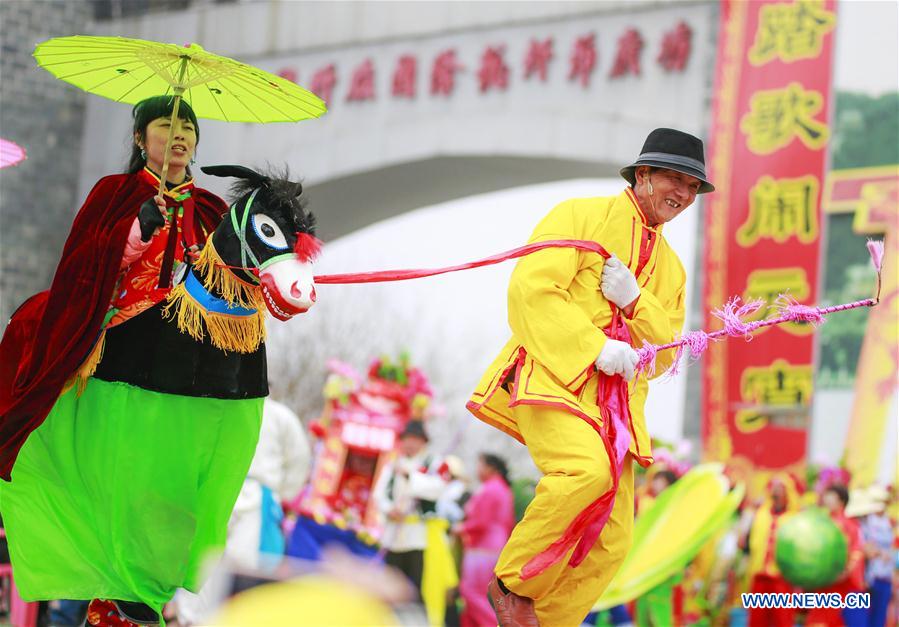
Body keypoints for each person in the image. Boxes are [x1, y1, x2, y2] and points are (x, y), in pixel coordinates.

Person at [0, 96, 246, 626]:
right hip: (115, 343)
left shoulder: (209, 211)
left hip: (179, 361)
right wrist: (135, 231)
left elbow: (228, 284)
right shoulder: (114, 194)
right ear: (140, 139)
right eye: (165, 125)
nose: (179, 135)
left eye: (188, 127)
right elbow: (85, 263)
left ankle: (143, 591)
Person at [467, 128, 713, 626]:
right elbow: (531, 292)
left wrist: (634, 301)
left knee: (615, 536)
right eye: (676, 179)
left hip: (615, 411)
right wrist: (594, 346)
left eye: (693, 187)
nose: (684, 195)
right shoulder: (579, 216)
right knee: (584, 473)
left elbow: (664, 352)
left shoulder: (672, 270)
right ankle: (512, 583)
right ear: (642, 175)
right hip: (553, 380)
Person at [373, 420, 450, 603]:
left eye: (415, 439)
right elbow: (379, 494)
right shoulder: (393, 465)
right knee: (390, 583)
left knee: (415, 585)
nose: (410, 443)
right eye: (407, 439)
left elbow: (438, 488)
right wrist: (388, 509)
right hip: (394, 534)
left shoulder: (432, 463)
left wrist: (411, 477)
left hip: (418, 536)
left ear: (423, 442)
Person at [454, 454, 515, 627]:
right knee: (478, 594)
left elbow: (480, 522)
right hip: (494, 547)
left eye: (480, 465)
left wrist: (460, 528)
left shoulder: (490, 489)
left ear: (491, 468)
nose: (477, 469)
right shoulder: (502, 489)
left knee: (471, 592)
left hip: (482, 548)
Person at [742, 474, 801, 627]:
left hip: (782, 578)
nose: (776, 492)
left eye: (780, 489)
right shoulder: (761, 515)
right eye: (774, 488)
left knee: (782, 620)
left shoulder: (794, 519)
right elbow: (748, 544)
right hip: (759, 575)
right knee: (757, 620)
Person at [808, 483, 867, 627]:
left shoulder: (850, 525)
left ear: (841, 501)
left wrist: (845, 572)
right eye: (826, 495)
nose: (827, 498)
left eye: (831, 495)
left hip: (840, 584)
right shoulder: (820, 522)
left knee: (832, 619)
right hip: (822, 582)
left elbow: (856, 552)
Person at [849, 486, 893, 627]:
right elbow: (865, 549)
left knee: (876, 619)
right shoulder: (856, 526)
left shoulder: (886, 522)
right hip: (861, 581)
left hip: (876, 577)